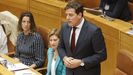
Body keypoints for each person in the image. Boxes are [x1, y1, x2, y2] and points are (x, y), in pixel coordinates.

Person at [58, 1, 107, 75]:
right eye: (66, 15)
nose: (67, 18)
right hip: (69, 72)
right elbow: (60, 47)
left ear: (80, 15)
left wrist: (81, 62)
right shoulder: (65, 27)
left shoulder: (94, 31)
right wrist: (64, 58)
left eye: (70, 15)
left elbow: (102, 55)